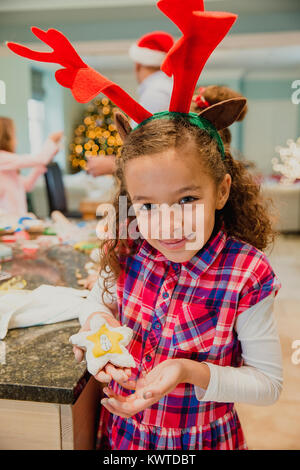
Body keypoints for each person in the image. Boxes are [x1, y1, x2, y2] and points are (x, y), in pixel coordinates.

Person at [7, 2, 283, 451]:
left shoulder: (246, 274)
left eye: (188, 198)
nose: (167, 224)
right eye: (147, 205)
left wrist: (189, 371)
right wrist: (99, 331)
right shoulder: (129, 246)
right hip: (122, 437)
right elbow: (98, 299)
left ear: (224, 190)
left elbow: (268, 383)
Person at [86, 31, 174, 177]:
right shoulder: (165, 89)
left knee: (120, 200)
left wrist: (112, 164)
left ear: (137, 65)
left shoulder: (156, 94)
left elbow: (144, 150)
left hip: (156, 185)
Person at [0, 116, 63, 215]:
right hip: (7, 222)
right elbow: (40, 158)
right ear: (6, 138)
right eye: (14, 135)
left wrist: (40, 166)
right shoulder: (2, 158)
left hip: (17, 220)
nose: (16, 140)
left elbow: (27, 185)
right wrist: (51, 140)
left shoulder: (8, 165)